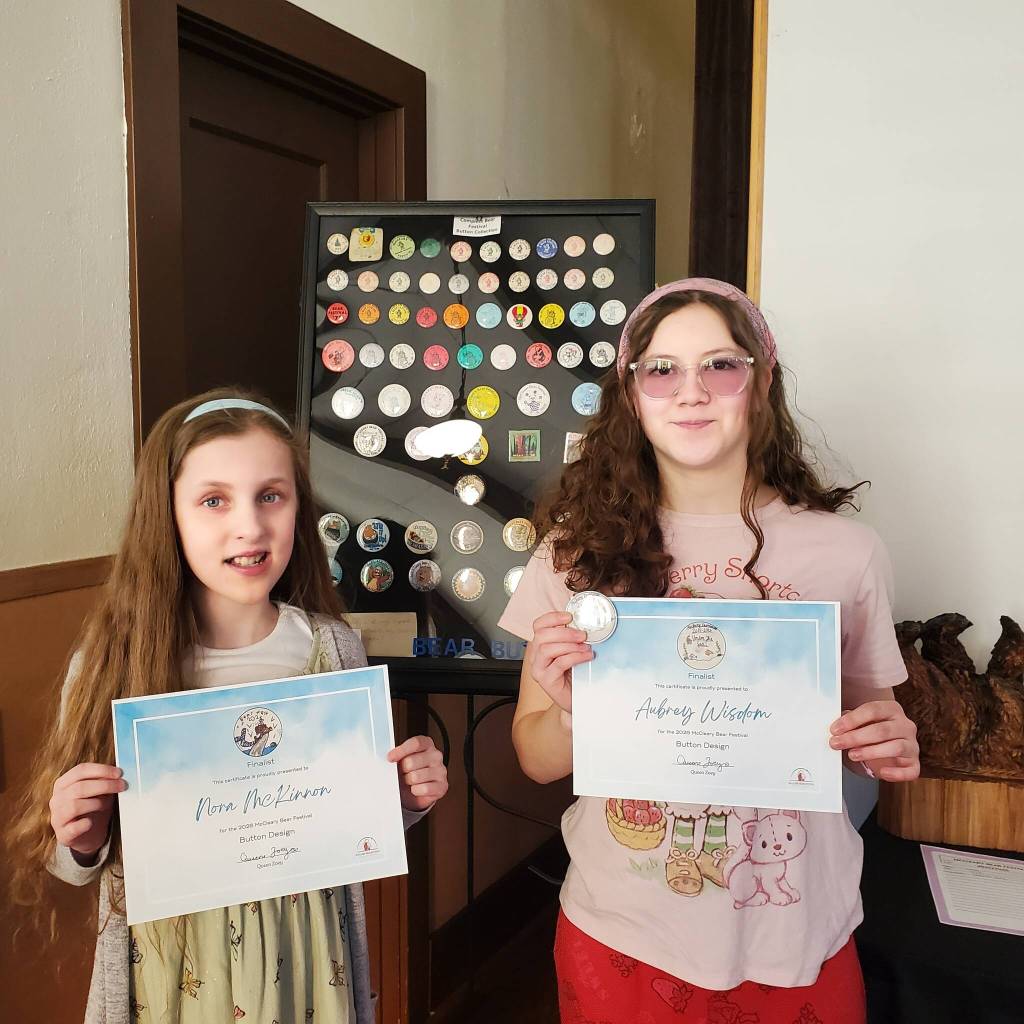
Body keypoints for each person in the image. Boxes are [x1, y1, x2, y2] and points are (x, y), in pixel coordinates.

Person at [499, 279, 920, 1023]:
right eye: (661, 370)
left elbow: (867, 734)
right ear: (631, 395)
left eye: (720, 366)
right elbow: (535, 758)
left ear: (761, 382)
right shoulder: (571, 555)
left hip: (799, 932)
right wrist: (573, 714)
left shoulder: (847, 553)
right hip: (623, 931)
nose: (690, 392)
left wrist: (882, 745)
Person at [9, 390, 448, 1024]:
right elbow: (72, 865)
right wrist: (79, 835)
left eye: (271, 496)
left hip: (308, 961)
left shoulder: (334, 647)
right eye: (214, 500)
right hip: (178, 973)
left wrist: (401, 800)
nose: (249, 526)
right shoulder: (115, 660)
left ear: (298, 507)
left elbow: (344, 823)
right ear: (168, 514)